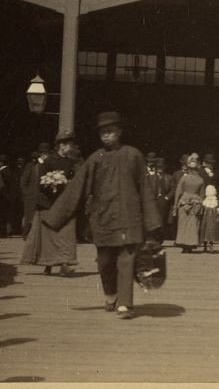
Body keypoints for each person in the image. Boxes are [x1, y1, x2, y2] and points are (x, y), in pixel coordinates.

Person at [43, 112, 160, 319]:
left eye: (110, 132)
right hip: (103, 217)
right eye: (103, 133)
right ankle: (111, 293)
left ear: (119, 132)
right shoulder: (95, 158)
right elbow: (77, 188)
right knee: (105, 261)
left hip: (129, 218)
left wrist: (152, 222)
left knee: (126, 260)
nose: (106, 136)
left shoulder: (133, 155)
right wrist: (55, 217)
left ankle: (125, 304)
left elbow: (145, 189)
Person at [20, 130, 80, 276]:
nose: (71, 147)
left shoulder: (70, 162)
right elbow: (41, 182)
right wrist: (52, 183)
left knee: (66, 234)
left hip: (63, 204)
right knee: (48, 237)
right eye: (69, 145)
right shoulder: (48, 161)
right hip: (48, 204)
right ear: (61, 145)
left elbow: (73, 179)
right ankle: (48, 264)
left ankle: (64, 264)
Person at [173, 153, 206, 253]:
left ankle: (183, 244)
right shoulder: (201, 180)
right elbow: (202, 195)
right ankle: (190, 244)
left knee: (183, 223)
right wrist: (200, 206)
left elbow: (178, 192)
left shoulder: (184, 178)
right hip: (195, 202)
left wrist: (175, 206)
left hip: (184, 201)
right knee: (193, 224)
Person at [19, 144, 49, 239]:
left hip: (43, 196)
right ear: (41, 154)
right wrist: (27, 194)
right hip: (31, 196)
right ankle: (26, 234)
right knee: (29, 217)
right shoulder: (32, 166)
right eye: (44, 153)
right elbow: (23, 182)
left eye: (46, 153)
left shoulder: (48, 165)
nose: (46, 155)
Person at [200, 153, 219, 252]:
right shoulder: (200, 173)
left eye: (212, 163)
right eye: (209, 163)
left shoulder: (217, 173)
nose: (210, 165)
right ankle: (204, 243)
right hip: (204, 199)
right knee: (204, 222)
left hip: (213, 200)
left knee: (212, 223)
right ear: (205, 163)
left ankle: (211, 244)